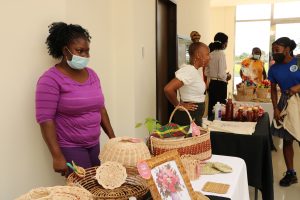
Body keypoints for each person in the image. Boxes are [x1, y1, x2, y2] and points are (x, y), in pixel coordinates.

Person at [35, 22, 115, 176]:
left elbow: (100, 108)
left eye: (87, 51)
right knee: (83, 190)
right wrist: (57, 156)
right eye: (80, 51)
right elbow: (45, 120)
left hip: (94, 144)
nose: (85, 56)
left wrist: (112, 138)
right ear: (65, 50)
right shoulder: (50, 79)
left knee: (98, 185)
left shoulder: (92, 75)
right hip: (71, 147)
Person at [268, 37, 299, 187]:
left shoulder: (298, 61)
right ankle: (290, 173)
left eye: (277, 49)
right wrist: (275, 108)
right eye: (273, 50)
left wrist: (298, 87)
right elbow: (273, 89)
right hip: (286, 103)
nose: (274, 52)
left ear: (287, 49)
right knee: (287, 140)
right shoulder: (273, 68)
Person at [164, 41, 210, 126]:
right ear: (198, 55)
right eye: (207, 54)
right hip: (188, 116)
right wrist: (178, 105)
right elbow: (168, 89)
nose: (209, 57)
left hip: (193, 116)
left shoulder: (194, 71)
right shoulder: (189, 70)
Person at [205, 32, 231, 120]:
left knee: (212, 106)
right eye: (227, 42)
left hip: (212, 83)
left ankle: (211, 127)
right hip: (220, 85)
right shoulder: (221, 54)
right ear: (224, 43)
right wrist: (227, 76)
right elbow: (221, 74)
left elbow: (206, 72)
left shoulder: (210, 54)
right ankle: (219, 127)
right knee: (220, 108)